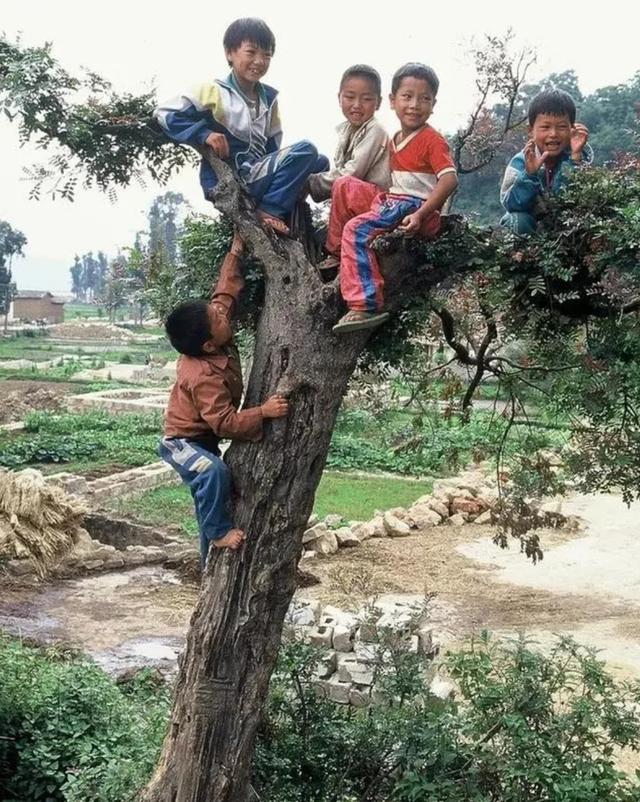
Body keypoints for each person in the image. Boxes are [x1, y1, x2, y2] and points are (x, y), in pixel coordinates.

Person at [159, 234, 288, 563]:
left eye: (216, 314)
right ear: (208, 347)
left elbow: (224, 291)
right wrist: (265, 411)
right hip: (182, 443)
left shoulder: (212, 327)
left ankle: (207, 563)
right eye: (217, 320)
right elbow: (226, 423)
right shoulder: (203, 376)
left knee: (209, 494)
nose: (221, 315)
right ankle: (217, 535)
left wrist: (236, 250)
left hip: (203, 440)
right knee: (213, 474)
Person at [155, 17, 328, 236]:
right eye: (251, 52)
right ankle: (269, 211)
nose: (259, 61)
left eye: (267, 55)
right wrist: (204, 134)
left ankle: (284, 208)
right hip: (236, 176)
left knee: (320, 161)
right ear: (230, 53)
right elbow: (165, 113)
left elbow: (273, 147)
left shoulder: (269, 100)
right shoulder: (214, 91)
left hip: (258, 173)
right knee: (307, 149)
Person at [328, 63, 458, 333]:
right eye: (407, 96)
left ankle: (365, 303)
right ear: (392, 101)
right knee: (345, 185)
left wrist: (422, 214)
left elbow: (449, 179)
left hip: (413, 206)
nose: (414, 105)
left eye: (424, 99)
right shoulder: (395, 138)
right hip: (392, 200)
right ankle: (335, 253)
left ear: (433, 105)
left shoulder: (432, 140)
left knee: (357, 229)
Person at [500, 88, 592, 235]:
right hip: (531, 229)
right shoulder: (520, 161)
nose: (553, 134)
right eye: (545, 127)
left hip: (566, 227)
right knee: (516, 220)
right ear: (531, 131)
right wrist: (529, 175)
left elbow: (570, 201)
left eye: (562, 127)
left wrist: (575, 158)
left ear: (572, 129)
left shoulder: (578, 157)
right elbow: (511, 205)